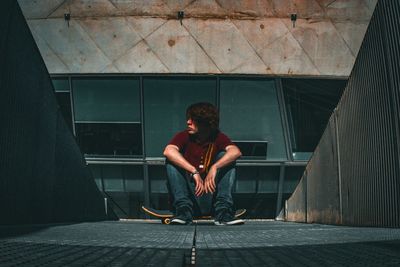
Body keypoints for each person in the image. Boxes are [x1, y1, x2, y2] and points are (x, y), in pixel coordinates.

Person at [163, 102, 244, 225]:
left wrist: (215, 167)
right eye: (188, 119)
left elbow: (236, 152)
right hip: (190, 197)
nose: (188, 122)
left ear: (205, 123)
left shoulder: (217, 137)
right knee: (172, 159)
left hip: (210, 196)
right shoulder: (184, 136)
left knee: (226, 157)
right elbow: (168, 151)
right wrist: (193, 171)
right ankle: (183, 212)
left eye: (193, 120)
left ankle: (223, 212)